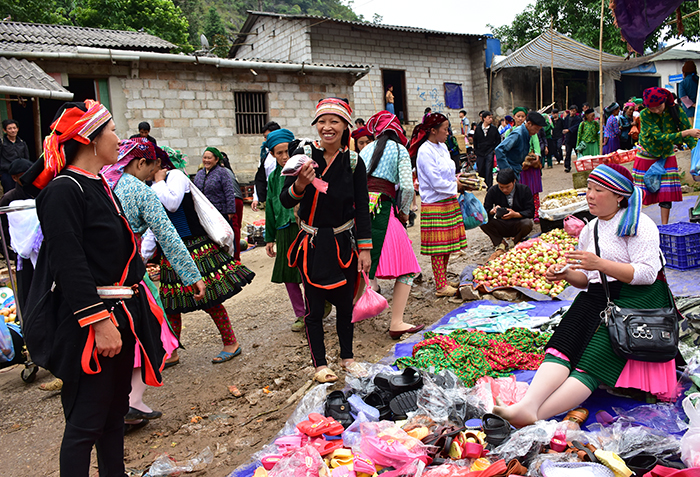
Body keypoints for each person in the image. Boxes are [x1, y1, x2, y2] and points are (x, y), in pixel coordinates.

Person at [23, 100, 165, 476]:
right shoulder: (63, 191)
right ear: (89, 138)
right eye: (114, 130)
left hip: (121, 315)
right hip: (92, 323)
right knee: (85, 423)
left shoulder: (99, 184)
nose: (120, 139)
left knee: (114, 416)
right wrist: (98, 322)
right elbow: (69, 265)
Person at [494, 164, 678, 428]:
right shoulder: (590, 229)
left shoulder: (640, 224)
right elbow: (586, 280)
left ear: (619, 196)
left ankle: (537, 415)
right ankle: (527, 406)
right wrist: (566, 274)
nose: (590, 195)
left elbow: (647, 274)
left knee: (594, 358)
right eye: (589, 189)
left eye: (598, 190)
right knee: (565, 341)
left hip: (639, 298)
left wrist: (600, 264)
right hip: (600, 294)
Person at [103, 138, 206, 429]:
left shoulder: (102, 183)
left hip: (97, 276)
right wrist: (192, 275)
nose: (153, 174)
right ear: (139, 163)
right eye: (152, 167)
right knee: (149, 331)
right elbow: (168, 236)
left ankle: (113, 403)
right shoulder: (139, 191)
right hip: (129, 274)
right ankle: (131, 401)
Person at [280, 97, 372, 383]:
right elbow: (285, 199)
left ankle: (348, 358)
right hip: (313, 245)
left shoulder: (354, 162)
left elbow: (361, 204)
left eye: (334, 122)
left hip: (344, 243)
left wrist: (365, 249)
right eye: (322, 121)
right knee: (314, 309)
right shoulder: (304, 157)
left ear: (346, 127)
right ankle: (320, 364)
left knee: (346, 306)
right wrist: (301, 184)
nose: (327, 127)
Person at [147, 149, 255, 364]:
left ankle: (231, 343)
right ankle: (172, 351)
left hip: (193, 246)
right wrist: (145, 254)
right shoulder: (151, 185)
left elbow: (172, 204)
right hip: (171, 250)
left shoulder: (175, 176)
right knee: (171, 305)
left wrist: (159, 182)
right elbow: (154, 222)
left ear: (158, 163)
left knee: (208, 299)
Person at [361, 110, 423, 340]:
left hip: (359, 211)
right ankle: (396, 321)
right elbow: (407, 187)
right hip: (384, 210)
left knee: (359, 263)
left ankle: (352, 313)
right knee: (407, 269)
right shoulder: (399, 150)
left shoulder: (365, 149)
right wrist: (405, 213)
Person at [409, 112, 467, 297]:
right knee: (438, 246)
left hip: (448, 199)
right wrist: (455, 185)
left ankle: (442, 278)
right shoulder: (425, 151)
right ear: (433, 130)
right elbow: (435, 181)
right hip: (435, 202)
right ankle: (440, 286)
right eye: (445, 129)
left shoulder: (442, 147)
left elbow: (448, 172)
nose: (448, 132)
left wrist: (458, 180)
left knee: (448, 243)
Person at [633, 86, 700, 225]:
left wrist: (696, 153)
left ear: (665, 101)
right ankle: (639, 224)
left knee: (666, 192)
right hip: (646, 155)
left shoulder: (676, 111)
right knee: (641, 193)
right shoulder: (645, 115)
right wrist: (686, 133)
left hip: (666, 155)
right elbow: (659, 137)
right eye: (652, 108)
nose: (656, 110)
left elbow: (689, 133)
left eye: (659, 106)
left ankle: (665, 225)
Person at [263, 128, 307, 333]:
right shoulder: (273, 178)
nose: (284, 156)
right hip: (283, 230)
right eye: (278, 153)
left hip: (304, 227)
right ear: (272, 154)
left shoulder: (304, 170)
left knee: (308, 271)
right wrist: (269, 237)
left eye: (286, 151)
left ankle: (316, 306)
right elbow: (271, 208)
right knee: (289, 275)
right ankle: (301, 314)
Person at [480, 168, 534, 260]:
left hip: (518, 223)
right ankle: (500, 242)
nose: (504, 190)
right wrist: (492, 211)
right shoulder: (493, 191)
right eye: (501, 187)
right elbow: (485, 211)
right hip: (502, 224)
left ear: (514, 181)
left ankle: (516, 240)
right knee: (481, 220)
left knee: (528, 223)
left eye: (507, 187)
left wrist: (515, 214)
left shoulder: (524, 190)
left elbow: (531, 211)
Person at [495, 111, 546, 179]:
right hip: (511, 170)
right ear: (529, 123)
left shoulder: (527, 134)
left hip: (517, 169)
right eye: (536, 129)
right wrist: (507, 170)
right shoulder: (518, 134)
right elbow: (499, 149)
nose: (537, 132)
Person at [193, 147, 237, 225]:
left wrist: (230, 210)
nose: (206, 160)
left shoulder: (222, 172)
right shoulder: (199, 174)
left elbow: (229, 192)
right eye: (204, 158)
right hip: (204, 213)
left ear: (216, 160)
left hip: (220, 212)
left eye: (209, 158)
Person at [218, 150, 246, 262]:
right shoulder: (228, 170)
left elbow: (228, 191)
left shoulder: (219, 172)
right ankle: (236, 255)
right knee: (236, 229)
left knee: (233, 230)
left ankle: (235, 257)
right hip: (238, 199)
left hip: (232, 201)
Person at [252, 121, 281, 211]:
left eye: (269, 136)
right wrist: (256, 198)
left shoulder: (289, 152)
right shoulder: (265, 156)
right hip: (271, 195)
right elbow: (260, 178)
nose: (267, 140)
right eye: (265, 137)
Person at [0, 119, 30, 193]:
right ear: (4, 130)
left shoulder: (22, 143)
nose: (13, 130)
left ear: (17, 129)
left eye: (14, 128)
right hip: (7, 174)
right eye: (9, 128)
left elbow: (26, 158)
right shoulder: (2, 143)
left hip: (21, 173)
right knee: (10, 193)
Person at [473, 110, 501, 189]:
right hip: (480, 152)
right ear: (484, 118)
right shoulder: (478, 129)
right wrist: (476, 150)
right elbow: (475, 140)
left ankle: (490, 186)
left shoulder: (494, 129)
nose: (491, 119)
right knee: (481, 168)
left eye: (491, 118)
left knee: (489, 169)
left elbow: (498, 140)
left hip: (489, 151)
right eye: (489, 118)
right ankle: (484, 182)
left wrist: (494, 149)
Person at [562, 104, 582, 172]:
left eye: (574, 111)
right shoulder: (567, 118)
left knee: (578, 153)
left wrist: (569, 130)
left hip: (575, 138)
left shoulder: (578, 119)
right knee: (568, 153)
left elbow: (577, 127)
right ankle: (567, 166)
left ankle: (580, 165)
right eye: (571, 111)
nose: (572, 112)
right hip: (568, 138)